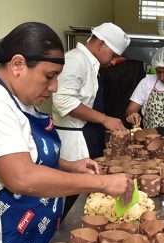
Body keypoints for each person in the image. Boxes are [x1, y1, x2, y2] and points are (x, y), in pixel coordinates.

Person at [0, 22, 133, 243]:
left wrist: (70, 165)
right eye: (49, 77)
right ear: (18, 64)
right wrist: (101, 183)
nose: (54, 88)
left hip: (34, 235)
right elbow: (22, 177)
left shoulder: (21, 100)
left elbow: (24, 154)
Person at [52, 22, 130, 162]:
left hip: (88, 136)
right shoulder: (75, 60)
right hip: (74, 143)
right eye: (113, 56)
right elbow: (63, 100)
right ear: (100, 44)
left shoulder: (91, 64)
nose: (113, 62)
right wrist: (104, 119)